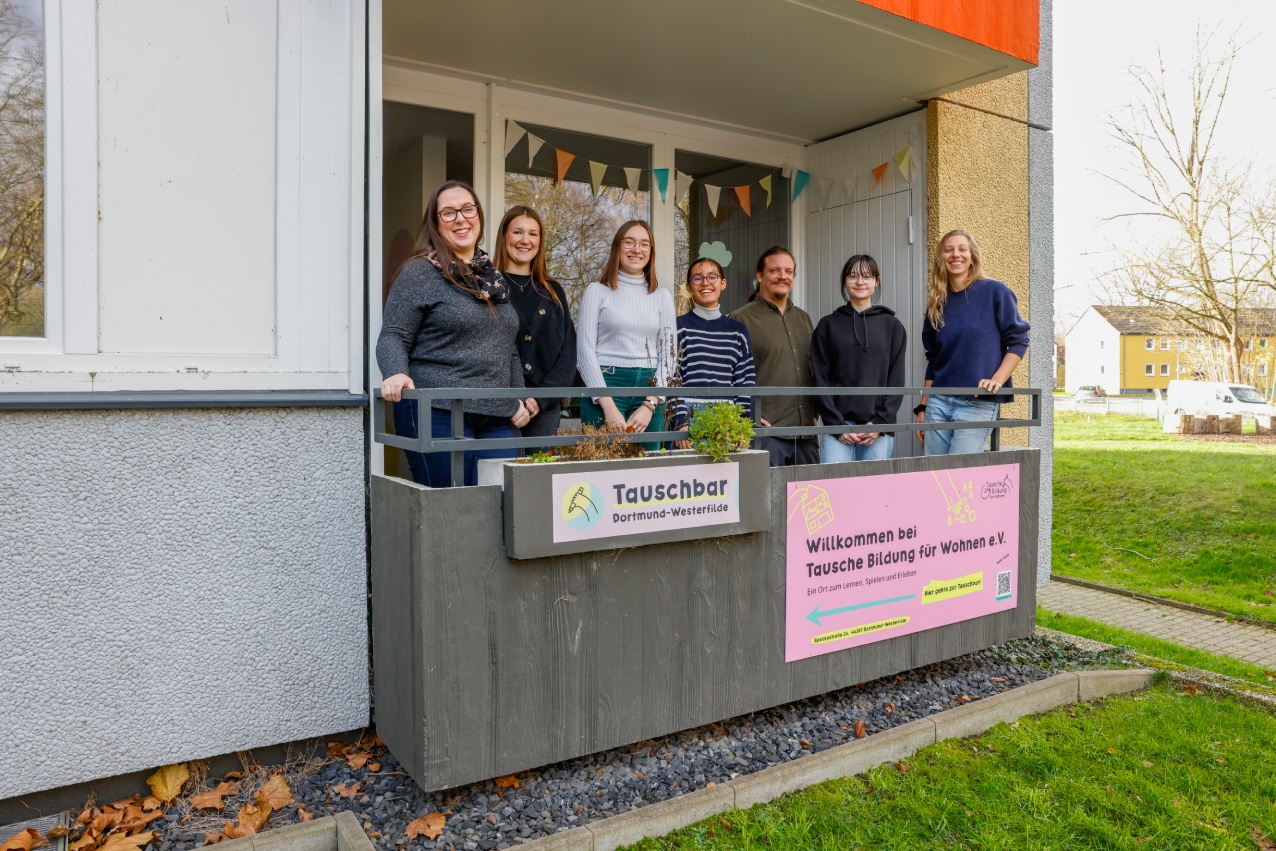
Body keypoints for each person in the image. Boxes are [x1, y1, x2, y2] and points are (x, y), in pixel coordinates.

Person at [377, 181, 532, 487]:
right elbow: (393, 334)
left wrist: (519, 396)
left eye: (467, 209)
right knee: (451, 513)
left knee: (501, 506)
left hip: (497, 415)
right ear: (435, 224)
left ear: (479, 215)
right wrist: (395, 371)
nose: (460, 219)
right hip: (439, 410)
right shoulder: (419, 272)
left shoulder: (493, 277)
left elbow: (507, 346)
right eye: (448, 213)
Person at [915, 229, 1030, 455]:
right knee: (935, 475)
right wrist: (923, 406)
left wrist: (997, 380)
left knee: (960, 476)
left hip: (976, 403)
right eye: (948, 250)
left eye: (961, 249)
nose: (955, 255)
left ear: (972, 257)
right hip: (938, 403)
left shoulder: (995, 292)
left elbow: (1018, 341)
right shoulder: (937, 305)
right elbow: (934, 360)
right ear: (941, 259)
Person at [576, 220, 677, 451]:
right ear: (617, 247)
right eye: (629, 242)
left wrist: (651, 403)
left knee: (648, 474)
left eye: (644, 244)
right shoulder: (597, 292)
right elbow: (584, 353)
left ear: (651, 252)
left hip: (649, 389)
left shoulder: (662, 296)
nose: (636, 249)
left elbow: (669, 357)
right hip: (605, 385)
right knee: (603, 469)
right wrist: (607, 404)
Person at [493, 205, 577, 450]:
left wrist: (541, 398)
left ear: (540, 241)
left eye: (533, 234)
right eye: (517, 232)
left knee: (537, 482)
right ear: (504, 236)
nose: (525, 240)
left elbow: (567, 353)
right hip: (500, 409)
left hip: (544, 411)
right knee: (500, 479)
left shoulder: (553, 291)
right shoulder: (488, 289)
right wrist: (511, 400)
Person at [810, 254, 907, 462]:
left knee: (873, 491)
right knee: (834, 489)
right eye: (853, 276)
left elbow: (896, 380)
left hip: (877, 428)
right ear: (844, 281)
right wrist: (835, 424)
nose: (860, 282)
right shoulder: (827, 326)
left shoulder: (893, 327)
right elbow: (820, 378)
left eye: (867, 276)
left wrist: (881, 422)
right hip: (837, 426)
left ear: (877, 282)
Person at [732, 246, 818, 466]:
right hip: (766, 433)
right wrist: (746, 414)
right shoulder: (740, 320)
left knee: (808, 500)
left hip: (806, 433)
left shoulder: (804, 318)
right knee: (767, 500)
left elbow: (813, 369)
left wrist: (816, 410)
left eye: (788, 271)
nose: (783, 276)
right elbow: (729, 375)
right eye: (775, 270)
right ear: (759, 275)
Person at [671, 257, 756, 448]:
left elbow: (745, 381)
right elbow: (671, 378)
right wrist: (679, 422)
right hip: (688, 418)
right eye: (698, 278)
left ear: (723, 283)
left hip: (726, 419)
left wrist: (741, 424)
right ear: (689, 286)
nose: (706, 283)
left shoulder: (738, 331)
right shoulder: (678, 327)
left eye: (712, 277)